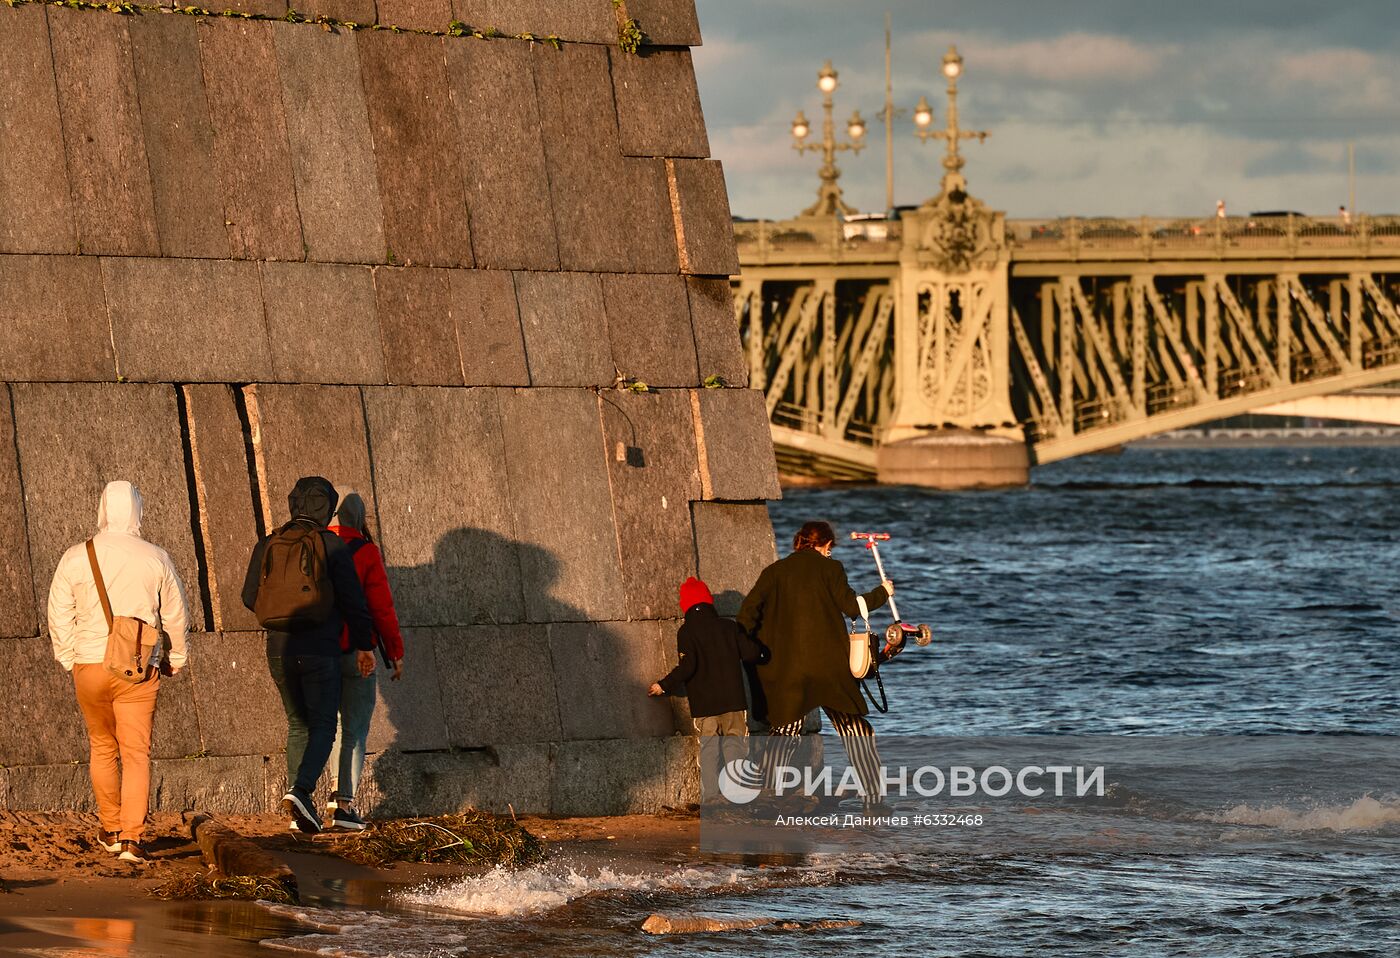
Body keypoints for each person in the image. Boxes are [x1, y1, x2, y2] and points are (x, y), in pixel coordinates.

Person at [47, 481, 191, 864]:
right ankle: (131, 838)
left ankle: (109, 829)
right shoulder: (156, 557)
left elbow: (58, 612)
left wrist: (68, 657)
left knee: (101, 745)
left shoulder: (76, 556)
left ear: (103, 510)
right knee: (136, 753)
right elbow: (176, 614)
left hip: (89, 664)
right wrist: (175, 658)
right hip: (137, 668)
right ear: (137, 511)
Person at [242, 476, 375, 835]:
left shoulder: (269, 543)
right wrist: (364, 645)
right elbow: (354, 602)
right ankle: (300, 791)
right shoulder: (330, 545)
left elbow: (248, 595)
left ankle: (299, 809)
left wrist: (282, 613)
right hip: (320, 648)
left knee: (297, 724)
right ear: (327, 508)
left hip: (279, 648)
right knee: (324, 726)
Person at [738, 521, 893, 809]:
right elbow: (851, 606)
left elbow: (746, 616)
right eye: (829, 549)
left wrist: (758, 652)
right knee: (856, 731)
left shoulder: (774, 572)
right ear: (824, 545)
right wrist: (883, 592)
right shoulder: (830, 569)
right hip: (829, 670)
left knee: (784, 732)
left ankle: (768, 796)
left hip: (788, 672)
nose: (830, 554)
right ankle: (873, 799)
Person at [323, 492, 405, 831]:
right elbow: (381, 607)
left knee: (329, 727)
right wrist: (396, 653)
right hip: (358, 652)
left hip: (320, 651)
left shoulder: (319, 547)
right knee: (355, 729)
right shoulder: (367, 552)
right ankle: (344, 806)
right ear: (359, 519)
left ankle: (328, 795)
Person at [648, 576, 766, 802]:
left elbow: (688, 666)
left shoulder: (686, 632)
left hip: (704, 705)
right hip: (733, 701)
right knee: (735, 748)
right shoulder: (728, 627)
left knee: (710, 751)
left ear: (686, 605)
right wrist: (763, 652)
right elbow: (751, 653)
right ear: (708, 601)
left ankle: (711, 797)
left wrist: (663, 685)